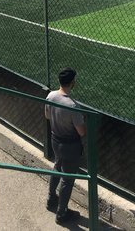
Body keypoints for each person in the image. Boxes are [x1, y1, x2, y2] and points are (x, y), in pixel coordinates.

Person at [45, 68, 86, 224]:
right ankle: (61, 213)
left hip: (55, 140)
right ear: (72, 82)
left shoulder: (51, 96)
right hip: (70, 146)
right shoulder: (72, 106)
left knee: (57, 167)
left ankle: (51, 199)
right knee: (67, 179)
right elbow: (81, 131)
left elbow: (47, 115)